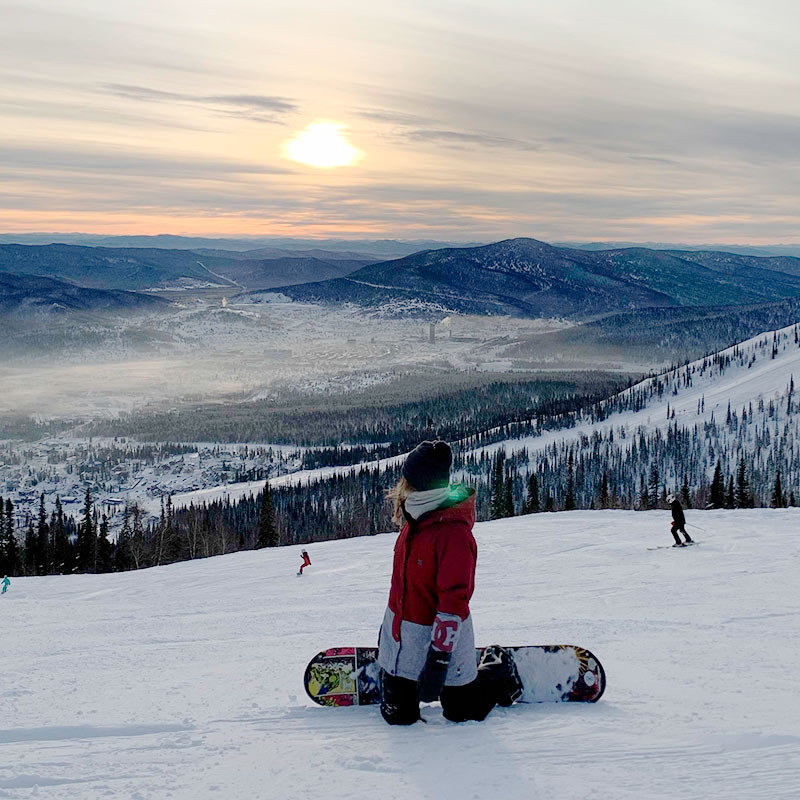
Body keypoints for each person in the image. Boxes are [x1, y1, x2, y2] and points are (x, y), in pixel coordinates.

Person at [376, 440, 522, 725]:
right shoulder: (415, 518)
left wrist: (439, 659)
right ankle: (394, 674)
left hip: (444, 639)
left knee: (462, 711)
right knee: (399, 717)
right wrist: (388, 632)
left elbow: (453, 601)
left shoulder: (452, 533)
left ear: (415, 482)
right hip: (403, 637)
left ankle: (497, 669)